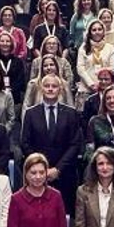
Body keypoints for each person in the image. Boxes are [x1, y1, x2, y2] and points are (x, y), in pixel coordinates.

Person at [20, 74, 85, 210]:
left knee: (63, 216)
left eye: (54, 86)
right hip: (37, 174)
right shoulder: (31, 113)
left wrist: (58, 169)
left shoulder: (71, 113)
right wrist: (41, 168)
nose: (50, 89)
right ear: (41, 88)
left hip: (64, 173)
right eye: (47, 86)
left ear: (60, 90)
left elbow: (74, 144)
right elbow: (25, 143)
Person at [7, 153, 70, 227]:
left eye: (42, 172)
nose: (38, 176)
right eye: (33, 173)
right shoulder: (16, 199)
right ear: (26, 174)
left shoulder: (56, 196)